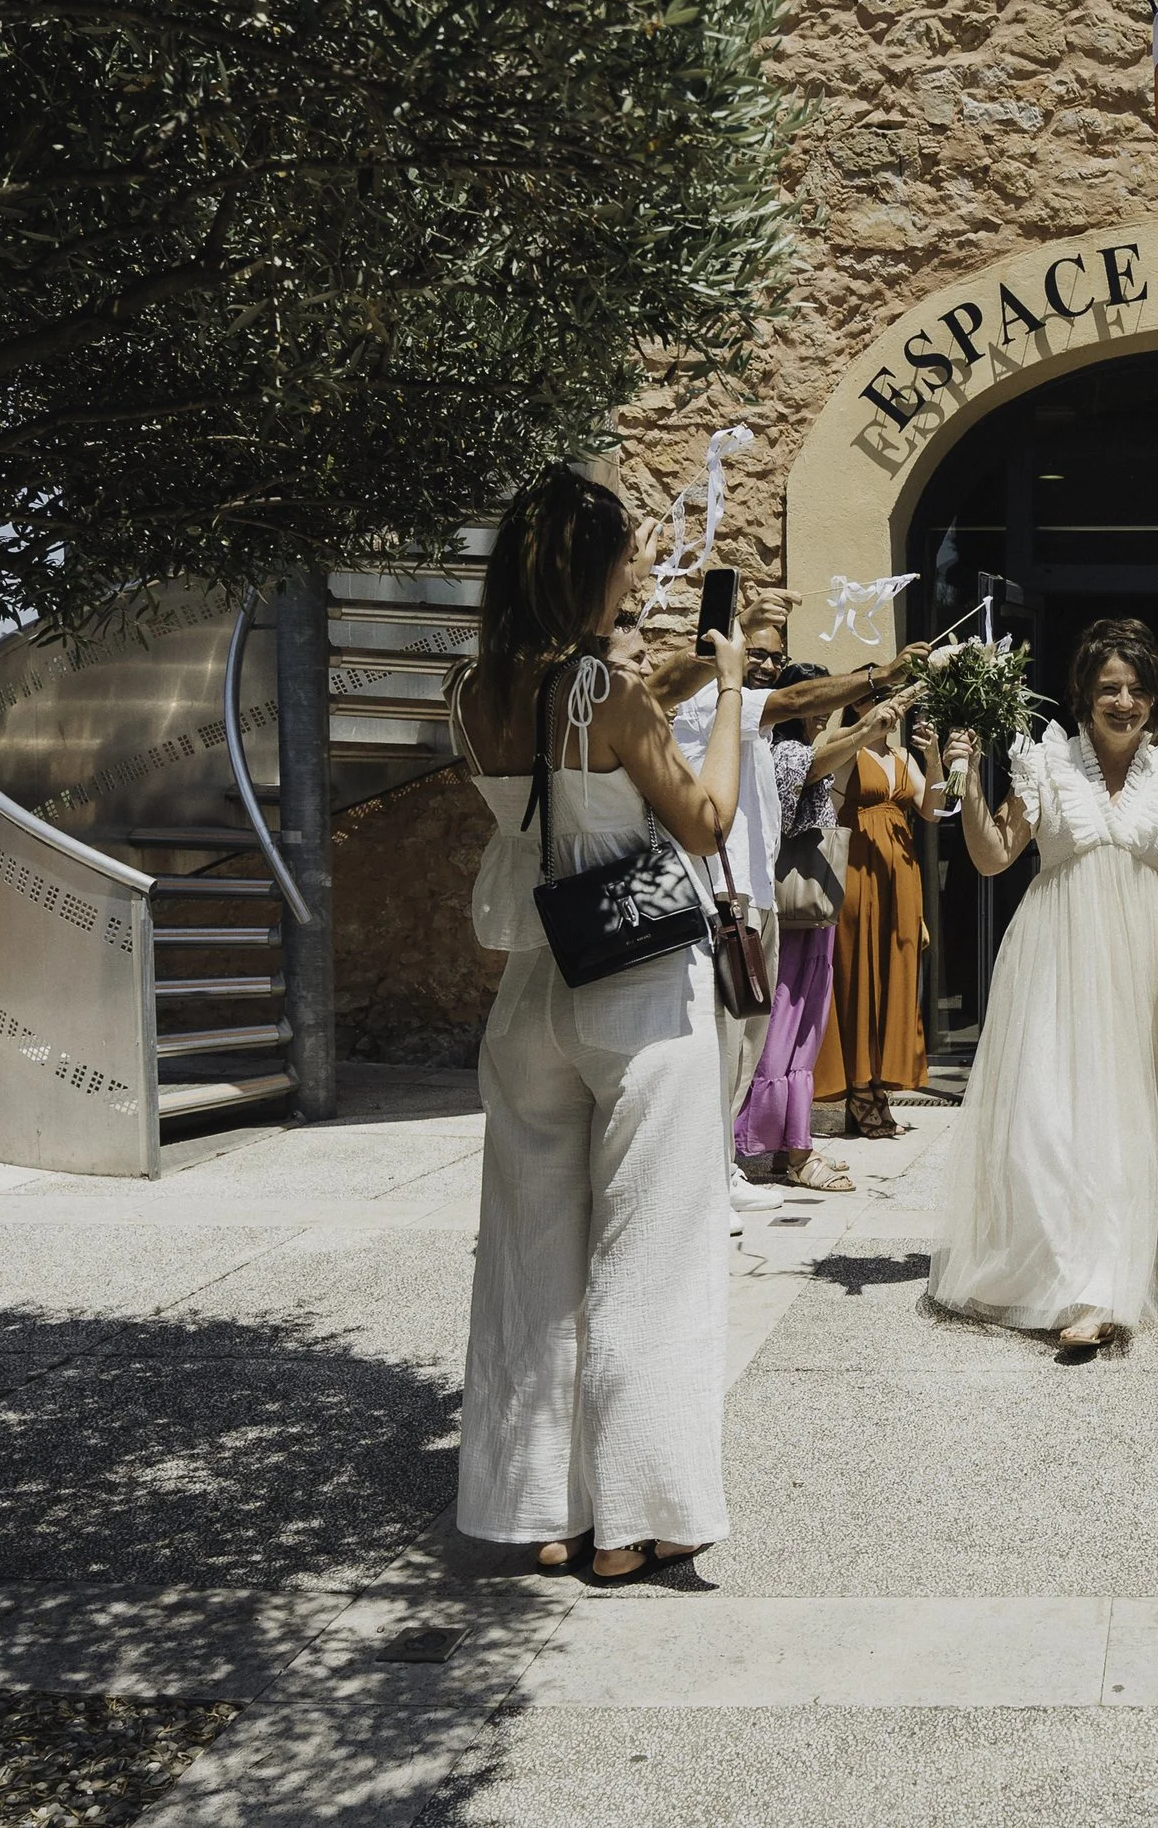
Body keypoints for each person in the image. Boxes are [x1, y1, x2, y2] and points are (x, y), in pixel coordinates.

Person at [447, 464, 746, 1582]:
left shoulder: (467, 695)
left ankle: (544, 1510)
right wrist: (727, 701)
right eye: (626, 558)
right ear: (592, 568)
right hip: (634, 992)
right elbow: (706, 824)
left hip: (530, 993)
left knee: (535, 1255)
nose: (635, 575)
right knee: (650, 1251)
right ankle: (637, 1518)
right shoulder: (607, 698)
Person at [928, 620, 1158, 1345]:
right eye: (1108, 688)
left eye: (1137, 688)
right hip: (1055, 957)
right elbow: (994, 856)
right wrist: (965, 774)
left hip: (1144, 964)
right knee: (1050, 1118)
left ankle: (1104, 1288)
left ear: (1155, 697)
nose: (1124, 701)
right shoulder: (1046, 765)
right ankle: (1066, 1275)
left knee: (1128, 1122)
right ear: (1083, 695)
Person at [651, 588, 928, 1216]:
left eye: (777, 655)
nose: (769, 665)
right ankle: (701, 1178)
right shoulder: (711, 701)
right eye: (757, 651)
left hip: (756, 888)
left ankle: (718, 1167)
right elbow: (803, 716)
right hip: (717, 890)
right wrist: (877, 680)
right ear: (727, 648)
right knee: (718, 1041)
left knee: (743, 1043)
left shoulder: (750, 715)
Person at [736, 666, 908, 1192]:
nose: (825, 710)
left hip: (809, 912)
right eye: (817, 701)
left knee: (800, 1034)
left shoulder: (811, 745)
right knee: (785, 1032)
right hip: (792, 915)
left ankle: (794, 1146)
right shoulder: (786, 752)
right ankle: (785, 1154)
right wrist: (867, 724)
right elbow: (814, 767)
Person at [815, 711, 947, 1137]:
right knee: (858, 976)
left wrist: (934, 760)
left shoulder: (904, 755)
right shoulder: (845, 748)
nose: (892, 713)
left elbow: (933, 811)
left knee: (896, 977)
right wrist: (860, 734)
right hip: (858, 871)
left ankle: (880, 1086)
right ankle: (858, 1089)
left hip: (901, 878)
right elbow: (827, 807)